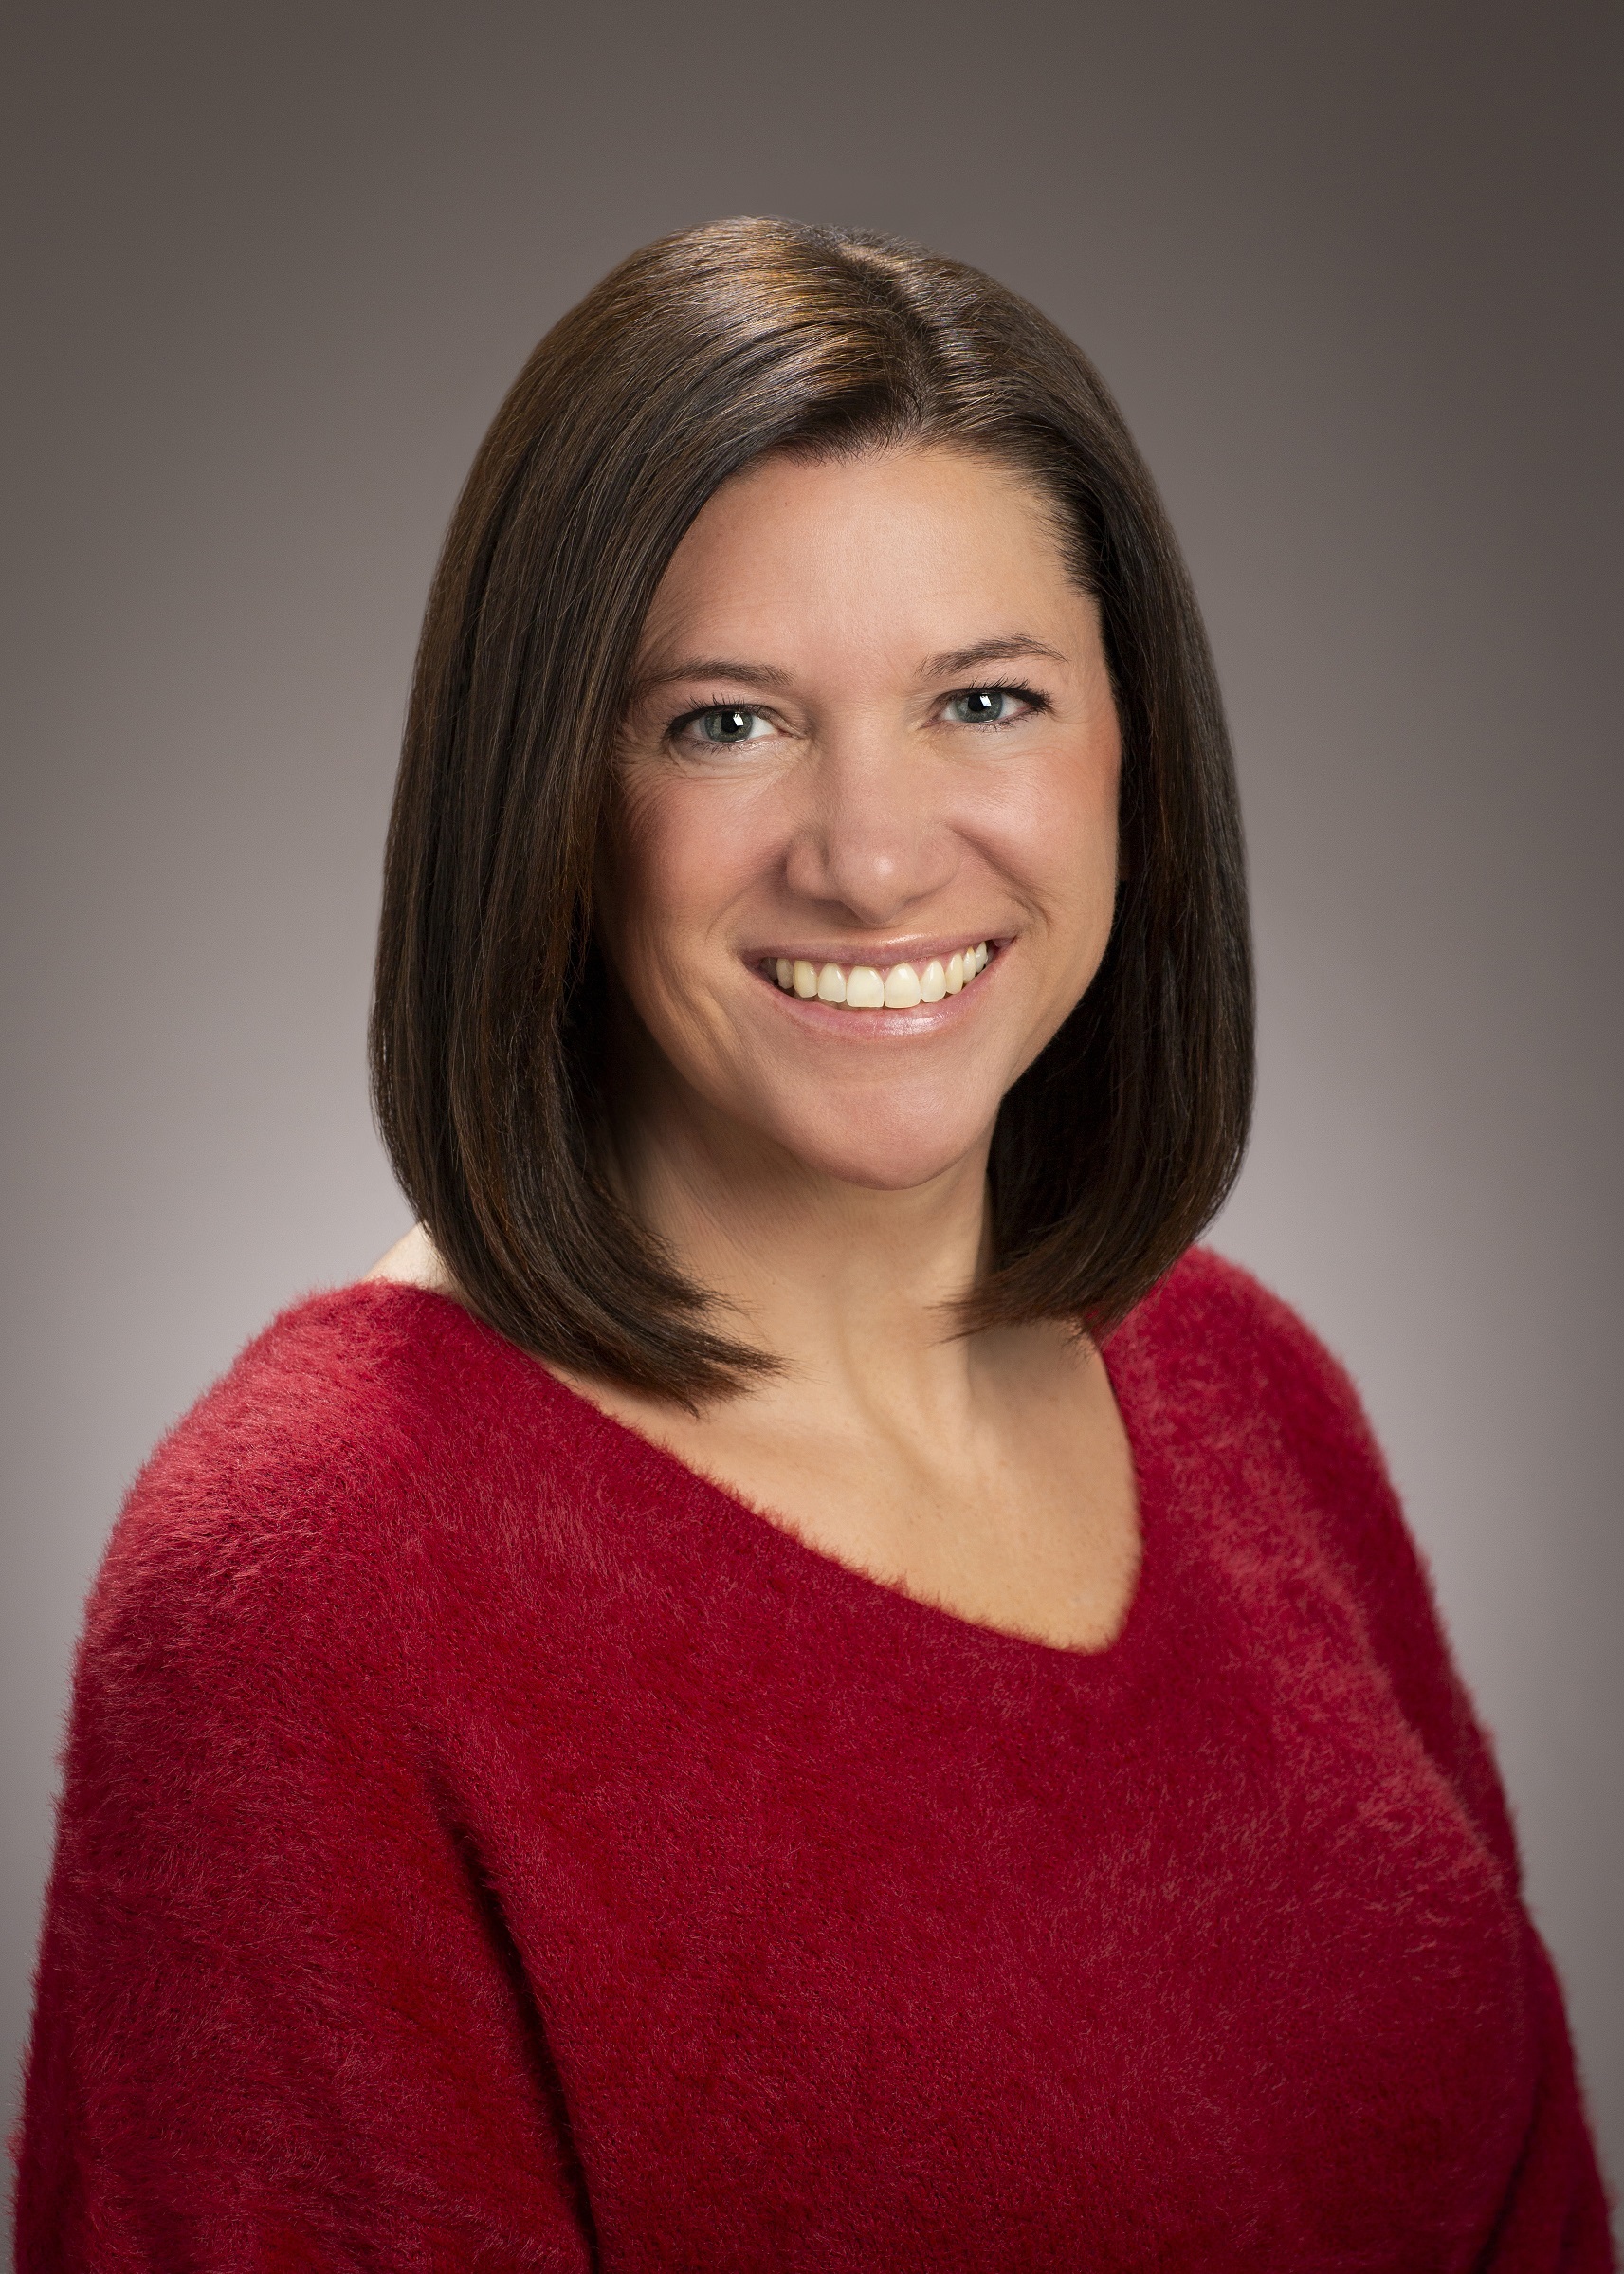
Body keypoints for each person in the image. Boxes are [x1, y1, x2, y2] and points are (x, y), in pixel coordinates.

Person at [15, 218, 1611, 2269]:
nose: (869, 854)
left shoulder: (1243, 1387)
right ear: (548, 800)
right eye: (724, 723)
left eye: (982, 696)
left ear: (1130, 750)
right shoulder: (308, 1573)